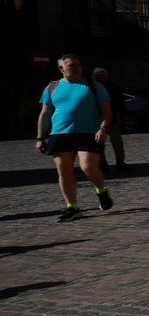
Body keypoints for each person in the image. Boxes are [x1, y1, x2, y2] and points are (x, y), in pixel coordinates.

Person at [34, 53, 114, 221]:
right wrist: (40, 137)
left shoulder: (93, 85)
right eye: (71, 65)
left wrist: (103, 128)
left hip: (88, 132)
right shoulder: (52, 87)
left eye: (78, 65)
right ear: (61, 68)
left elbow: (107, 111)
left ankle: (101, 190)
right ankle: (72, 207)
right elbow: (45, 113)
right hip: (60, 133)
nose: (77, 68)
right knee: (64, 170)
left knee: (88, 168)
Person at [92, 66, 127, 171]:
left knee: (117, 142)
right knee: (99, 143)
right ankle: (102, 165)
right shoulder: (90, 87)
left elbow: (119, 102)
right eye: (98, 76)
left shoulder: (113, 86)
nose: (100, 77)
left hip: (112, 118)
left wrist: (121, 115)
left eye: (102, 75)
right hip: (97, 119)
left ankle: (120, 163)